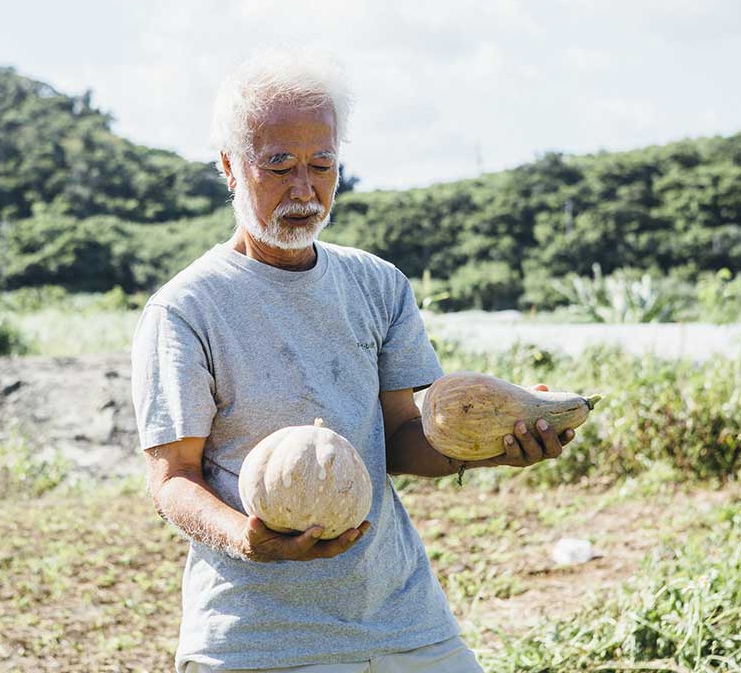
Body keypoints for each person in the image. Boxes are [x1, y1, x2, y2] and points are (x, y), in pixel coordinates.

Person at [131, 49, 575, 672]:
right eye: (279, 165)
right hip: (260, 639)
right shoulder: (186, 308)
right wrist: (249, 541)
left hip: (402, 619)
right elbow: (173, 477)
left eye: (322, 164)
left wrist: (492, 445)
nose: (304, 190)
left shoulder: (378, 285)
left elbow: (398, 438)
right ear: (230, 167)